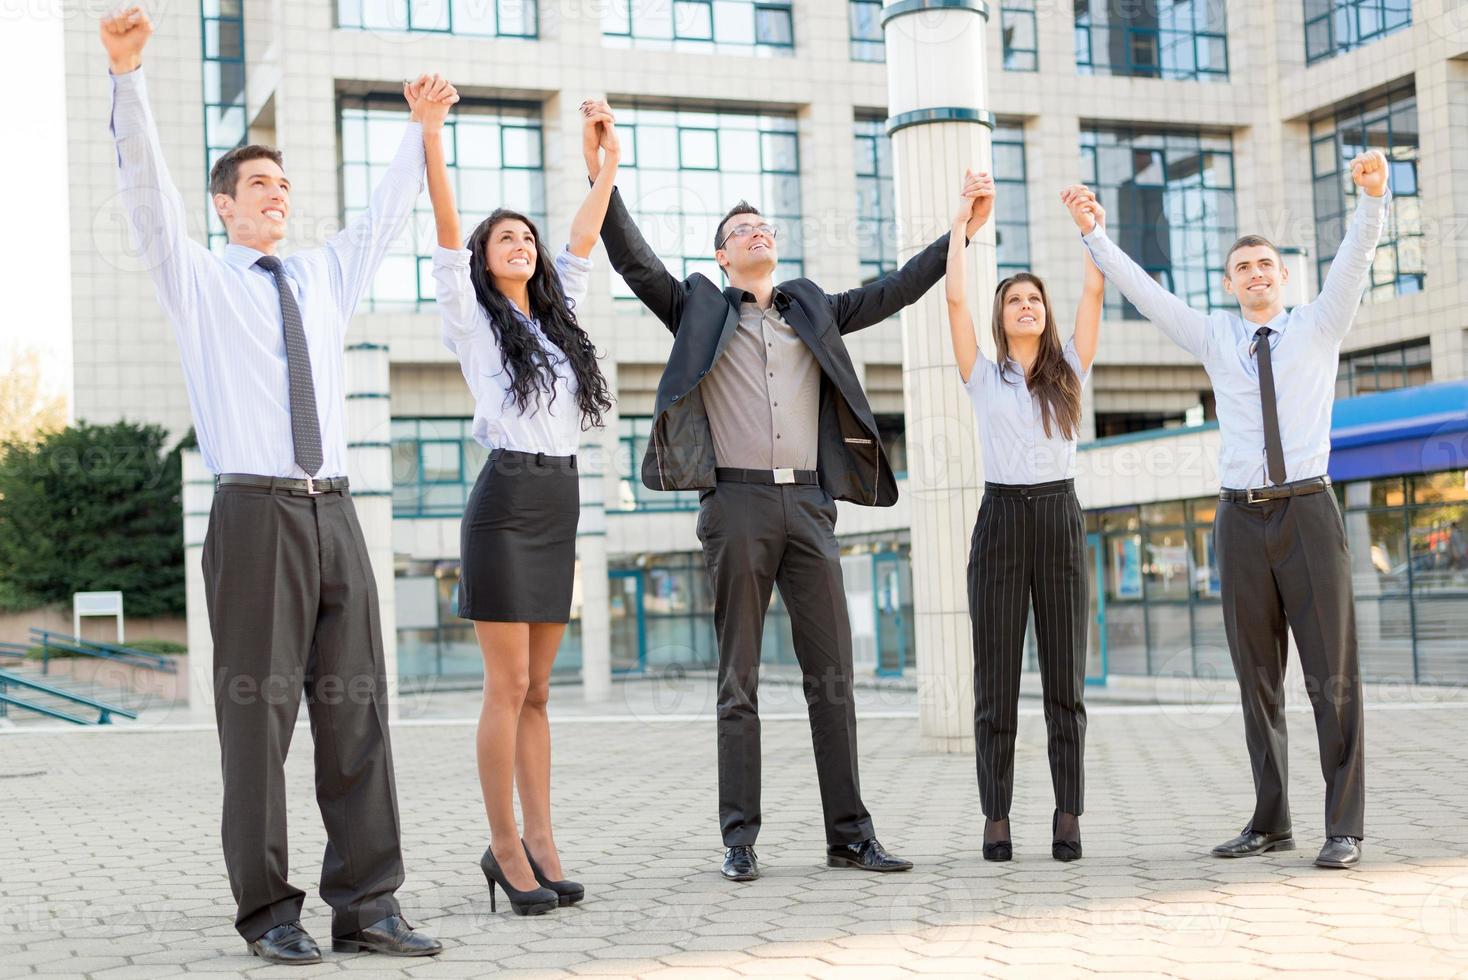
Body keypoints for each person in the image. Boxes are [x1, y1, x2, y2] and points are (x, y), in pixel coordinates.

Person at [101, 6, 444, 962]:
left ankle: (370, 906)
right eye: (260, 184)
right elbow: (146, 198)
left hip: (335, 512)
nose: (277, 196)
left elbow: (384, 217)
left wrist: (421, 133)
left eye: (285, 185)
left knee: (360, 717)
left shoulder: (325, 276)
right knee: (257, 726)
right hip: (254, 515)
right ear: (225, 203)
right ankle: (270, 914)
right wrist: (128, 81)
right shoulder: (199, 279)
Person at [584, 98, 992, 881]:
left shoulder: (814, 307)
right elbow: (633, 259)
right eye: (740, 231)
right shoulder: (698, 306)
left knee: (830, 678)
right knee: (739, 679)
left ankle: (850, 835)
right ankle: (740, 839)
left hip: (809, 506)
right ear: (721, 254)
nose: (756, 233)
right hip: (734, 505)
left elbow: (901, 285)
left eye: (763, 226)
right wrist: (604, 169)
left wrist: (963, 228)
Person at [1069, 150, 1391, 869]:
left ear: (1282, 277)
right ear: (1229, 283)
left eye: (1266, 265)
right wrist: (1094, 235)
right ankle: (1271, 819)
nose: (1256, 274)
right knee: (1257, 680)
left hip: (1307, 511)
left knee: (1331, 676)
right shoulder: (1215, 336)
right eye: (1243, 267)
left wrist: (1372, 198)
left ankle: (1345, 827)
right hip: (1239, 521)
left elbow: (1355, 257)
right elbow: (1148, 294)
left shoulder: (1319, 324)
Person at [417, 90, 618, 915]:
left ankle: (543, 841)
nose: (523, 245)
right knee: (506, 688)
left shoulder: (559, 318)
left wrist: (604, 165)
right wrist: (431, 136)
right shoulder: (470, 318)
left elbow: (582, 234)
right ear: (482, 256)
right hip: (504, 502)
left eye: (526, 237)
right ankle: (503, 848)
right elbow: (442, 219)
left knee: (541, 689)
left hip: (559, 497)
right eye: (506, 238)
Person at [944, 173, 1104, 863]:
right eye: (1015, 299)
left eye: (1035, 298)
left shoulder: (1069, 373)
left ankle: (1068, 817)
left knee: (1065, 685)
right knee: (996, 684)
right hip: (1002, 521)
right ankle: (996, 817)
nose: (1028, 306)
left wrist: (1086, 225)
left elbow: (1095, 291)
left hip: (1060, 519)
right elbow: (952, 295)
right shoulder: (984, 375)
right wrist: (963, 221)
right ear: (1001, 316)